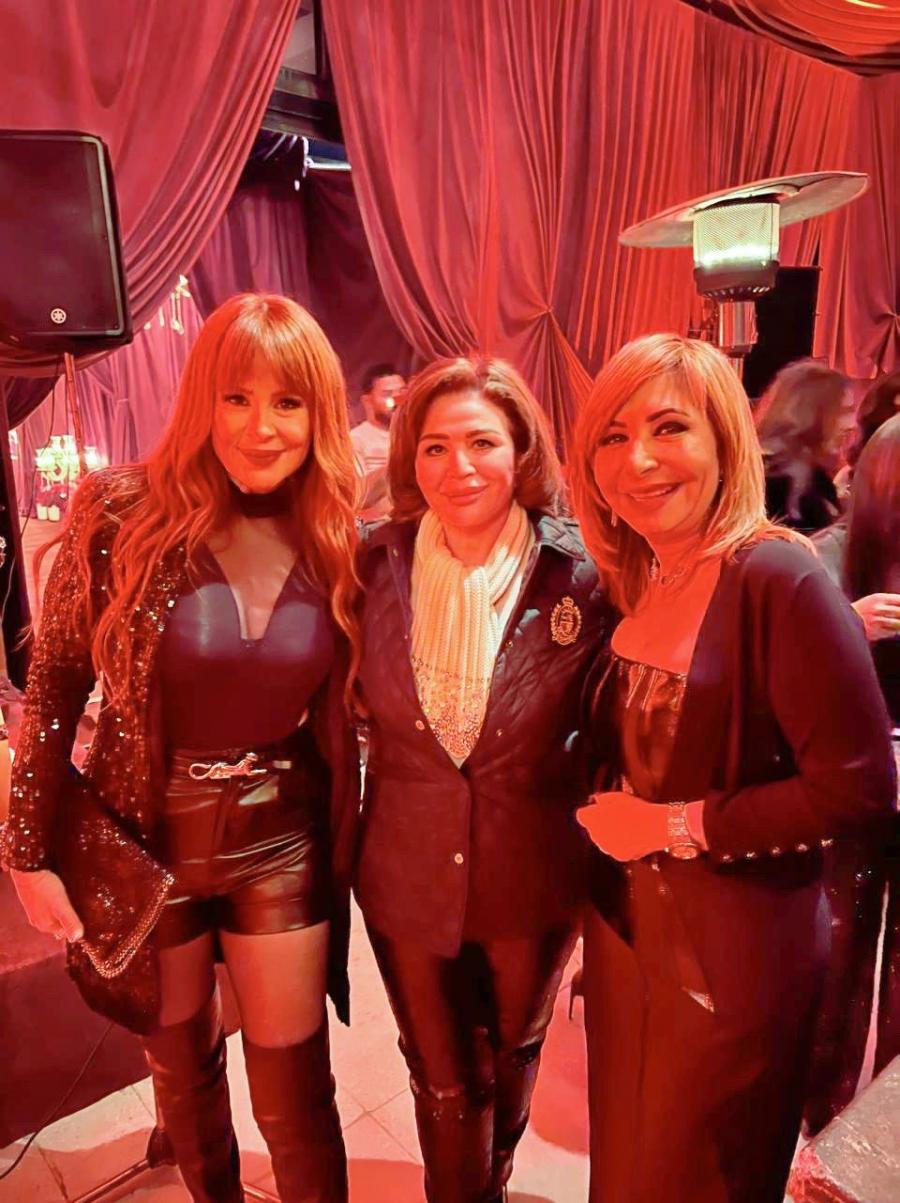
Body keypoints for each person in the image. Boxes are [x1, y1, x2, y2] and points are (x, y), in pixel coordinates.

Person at [1, 294, 361, 1203]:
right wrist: (27, 855)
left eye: (287, 402)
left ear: (318, 413)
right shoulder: (120, 510)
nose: (261, 427)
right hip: (144, 836)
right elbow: (55, 684)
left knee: (295, 1085)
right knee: (184, 1068)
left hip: (280, 835)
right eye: (237, 397)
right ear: (202, 397)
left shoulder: (334, 530)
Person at [568, 333, 895, 1203]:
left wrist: (672, 825)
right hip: (626, 938)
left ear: (723, 439)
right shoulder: (639, 574)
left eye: (669, 427)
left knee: (699, 1178)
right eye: (612, 436)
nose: (638, 459)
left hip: (731, 960)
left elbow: (860, 789)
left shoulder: (778, 575)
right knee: (626, 1176)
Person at [354, 356, 611, 1203]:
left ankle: (488, 1185)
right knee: (443, 1079)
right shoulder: (372, 565)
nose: (457, 467)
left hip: (535, 873)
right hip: (404, 871)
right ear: (409, 457)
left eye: (481, 443)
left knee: (513, 1054)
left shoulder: (582, 574)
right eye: (434, 447)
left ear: (521, 449)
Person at [805, 413, 900, 1133]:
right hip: (850, 788)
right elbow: (781, 676)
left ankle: (885, 1132)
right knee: (839, 958)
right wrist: (846, 626)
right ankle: (822, 1119)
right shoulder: (826, 558)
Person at [755, 357, 855, 533]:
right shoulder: (758, 480)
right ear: (812, 413)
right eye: (843, 411)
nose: (851, 424)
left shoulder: (816, 478)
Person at [350, 363, 406, 521]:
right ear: (367, 401)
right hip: (382, 525)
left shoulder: (420, 433)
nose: (396, 400)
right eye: (387, 394)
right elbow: (357, 496)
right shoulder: (355, 440)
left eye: (402, 392)